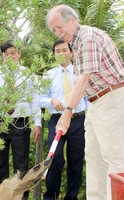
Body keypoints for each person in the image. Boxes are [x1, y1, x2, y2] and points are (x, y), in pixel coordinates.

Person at [46, 5, 124, 200]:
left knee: (114, 158)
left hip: (111, 98)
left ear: (72, 20)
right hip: (95, 103)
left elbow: (84, 78)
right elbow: (81, 84)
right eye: (54, 30)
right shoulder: (76, 45)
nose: (58, 33)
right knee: (94, 158)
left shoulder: (88, 38)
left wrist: (67, 114)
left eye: (60, 27)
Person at [38, 39, 87, 200]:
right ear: (53, 54)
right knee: (55, 159)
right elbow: (39, 99)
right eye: (57, 51)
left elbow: (88, 99)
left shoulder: (80, 74)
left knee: (76, 161)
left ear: (71, 52)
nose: (61, 53)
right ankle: (50, 196)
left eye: (64, 50)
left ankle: (72, 196)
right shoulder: (49, 75)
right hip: (56, 121)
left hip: (78, 120)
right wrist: (51, 101)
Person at [0, 40, 42, 200]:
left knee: (21, 166)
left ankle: (21, 197)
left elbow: (35, 100)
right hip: (0, 124)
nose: (9, 57)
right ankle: (1, 197)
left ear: (19, 54)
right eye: (5, 54)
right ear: (1, 57)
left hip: (21, 124)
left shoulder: (28, 75)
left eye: (13, 53)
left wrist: (37, 123)